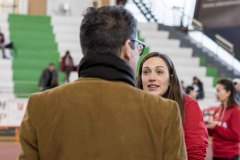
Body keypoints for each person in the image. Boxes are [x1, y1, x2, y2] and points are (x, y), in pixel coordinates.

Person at [18, 6, 187, 160]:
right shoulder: (165, 112)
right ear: (128, 48)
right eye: (138, 48)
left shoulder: (39, 106)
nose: (137, 54)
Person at [136, 52, 208, 160]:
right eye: (146, 72)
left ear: (170, 79)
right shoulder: (134, 104)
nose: (152, 77)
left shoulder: (188, 105)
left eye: (159, 72)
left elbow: (195, 153)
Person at [206, 79, 240, 160]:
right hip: (217, 154)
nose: (216, 93)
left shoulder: (236, 111)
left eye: (218, 90)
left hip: (229, 155)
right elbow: (212, 133)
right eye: (216, 90)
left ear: (228, 93)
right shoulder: (218, 109)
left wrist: (216, 127)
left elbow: (236, 136)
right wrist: (208, 127)